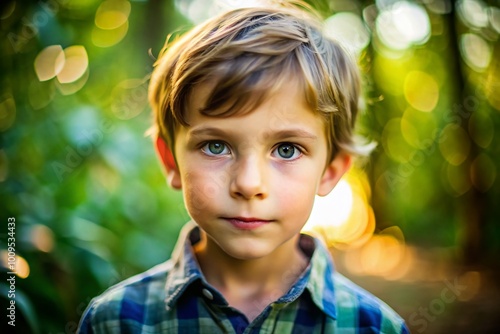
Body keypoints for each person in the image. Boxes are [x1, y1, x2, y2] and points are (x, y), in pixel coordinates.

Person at [78, 2, 409, 333]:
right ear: (171, 161)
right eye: (216, 146)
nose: (249, 184)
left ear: (330, 171)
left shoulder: (375, 327)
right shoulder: (116, 321)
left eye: (287, 149)